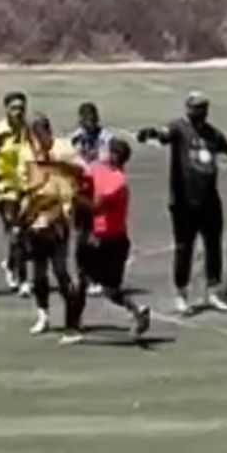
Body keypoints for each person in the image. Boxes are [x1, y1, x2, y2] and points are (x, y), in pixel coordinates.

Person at [137, 91, 227, 315]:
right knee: (184, 249)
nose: (201, 112)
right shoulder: (179, 129)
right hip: (183, 203)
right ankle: (181, 293)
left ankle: (213, 291)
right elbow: (164, 134)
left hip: (210, 200)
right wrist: (150, 133)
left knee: (213, 247)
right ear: (188, 109)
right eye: (197, 107)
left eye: (204, 107)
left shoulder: (212, 133)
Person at [74, 138, 152, 340]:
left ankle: (137, 311)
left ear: (115, 155)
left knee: (105, 288)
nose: (103, 152)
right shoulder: (98, 169)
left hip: (108, 241)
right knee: (85, 280)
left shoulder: (117, 181)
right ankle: (76, 322)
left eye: (107, 150)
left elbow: (96, 208)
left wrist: (73, 196)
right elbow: (82, 175)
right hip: (102, 237)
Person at [19, 114, 84, 342]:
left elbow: (80, 173)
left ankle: (73, 322)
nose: (36, 140)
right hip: (36, 215)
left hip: (58, 217)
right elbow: (26, 183)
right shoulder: (27, 153)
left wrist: (61, 166)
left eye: (39, 134)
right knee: (38, 272)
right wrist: (26, 215)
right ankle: (43, 315)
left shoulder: (64, 149)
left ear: (47, 132)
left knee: (60, 270)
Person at [0, 91, 31, 296]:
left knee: (21, 232)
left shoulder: (30, 131)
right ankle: (22, 279)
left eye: (21, 108)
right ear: (6, 109)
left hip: (26, 186)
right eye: (14, 108)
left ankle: (10, 263)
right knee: (15, 229)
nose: (18, 112)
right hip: (4, 187)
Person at [70, 101, 114, 296]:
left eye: (93, 119)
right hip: (81, 194)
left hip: (100, 192)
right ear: (80, 120)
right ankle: (82, 276)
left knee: (99, 236)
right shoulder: (74, 139)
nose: (90, 123)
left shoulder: (106, 138)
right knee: (81, 237)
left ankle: (97, 276)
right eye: (86, 119)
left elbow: (108, 162)